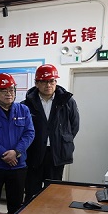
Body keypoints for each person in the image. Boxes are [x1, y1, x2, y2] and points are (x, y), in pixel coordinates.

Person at [0, 73, 34, 214]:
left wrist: (16, 152)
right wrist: (4, 153)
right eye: (4, 90)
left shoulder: (24, 110)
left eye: (11, 90)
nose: (9, 93)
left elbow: (29, 133)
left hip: (17, 166)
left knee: (16, 207)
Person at [22, 64, 80, 201]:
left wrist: (61, 139)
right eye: (44, 81)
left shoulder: (67, 101)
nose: (48, 85)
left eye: (51, 81)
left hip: (57, 153)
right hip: (34, 153)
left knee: (54, 193)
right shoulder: (27, 104)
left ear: (55, 82)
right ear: (37, 83)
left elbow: (74, 126)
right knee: (31, 192)